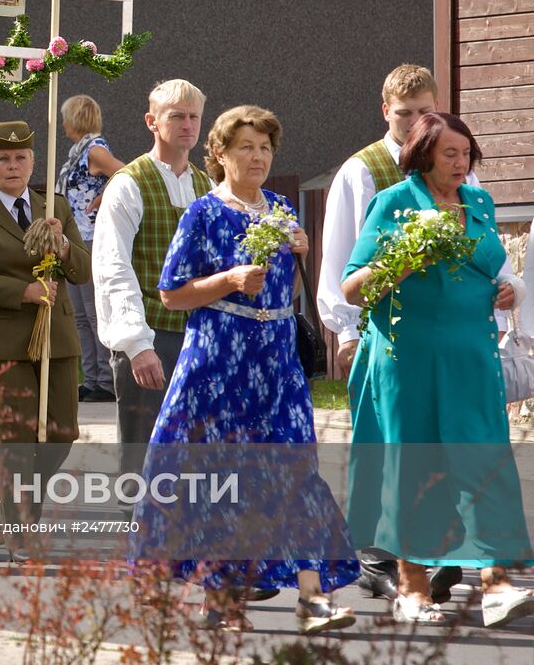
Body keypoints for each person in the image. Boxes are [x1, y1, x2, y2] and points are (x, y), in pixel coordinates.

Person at [133, 105, 359, 634]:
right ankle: (222, 597)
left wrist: (298, 254)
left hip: (277, 361)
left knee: (295, 471)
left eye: (265, 149)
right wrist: (230, 279)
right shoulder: (204, 214)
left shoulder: (281, 208)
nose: (257, 157)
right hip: (219, 360)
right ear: (220, 155)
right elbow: (171, 294)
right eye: (246, 148)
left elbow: (287, 293)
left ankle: (311, 598)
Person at [341, 111, 533, 627]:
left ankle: (494, 582)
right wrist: (400, 263)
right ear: (423, 154)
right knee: (415, 467)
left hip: (471, 357)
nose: (460, 162)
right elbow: (352, 287)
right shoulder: (395, 202)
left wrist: (507, 288)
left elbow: (494, 268)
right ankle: (412, 586)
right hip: (410, 360)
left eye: (466, 154)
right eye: (450, 153)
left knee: (484, 461)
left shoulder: (480, 203)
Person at [316, 63, 465, 604]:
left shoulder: (458, 166)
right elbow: (340, 258)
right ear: (386, 112)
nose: (412, 123)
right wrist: (345, 332)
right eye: (403, 114)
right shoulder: (362, 171)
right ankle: (377, 554)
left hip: (445, 335)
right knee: (381, 443)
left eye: (423, 112)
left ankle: (435, 548)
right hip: (381, 331)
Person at [0, 121, 91, 560]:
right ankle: (19, 529)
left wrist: (64, 245)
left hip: (57, 339)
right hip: (1, 343)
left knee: (61, 433)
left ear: (33, 162)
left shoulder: (55, 207)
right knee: (13, 439)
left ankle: (22, 511)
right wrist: (24, 291)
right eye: (3, 159)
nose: (13, 166)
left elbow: (83, 271)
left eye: (21, 158)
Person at [93, 79, 211, 480]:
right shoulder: (129, 183)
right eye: (176, 116)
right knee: (141, 452)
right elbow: (113, 266)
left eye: (194, 117)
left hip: (196, 333)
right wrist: (136, 344)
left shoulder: (205, 185)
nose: (187, 125)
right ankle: (134, 532)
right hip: (150, 332)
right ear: (152, 122)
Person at [55, 94, 124, 404]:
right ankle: (92, 378)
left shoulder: (95, 149)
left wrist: (104, 196)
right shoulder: (79, 150)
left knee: (95, 314)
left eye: (66, 116)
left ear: (76, 118)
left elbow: (125, 173)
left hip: (93, 238)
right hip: (76, 239)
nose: (63, 122)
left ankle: (107, 382)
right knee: (81, 314)